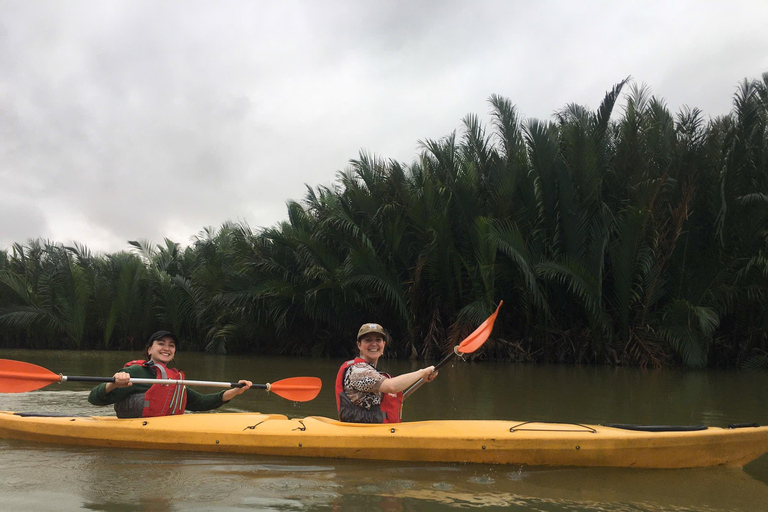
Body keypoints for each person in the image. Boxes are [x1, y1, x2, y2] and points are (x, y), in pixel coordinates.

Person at [88, 330, 252, 418]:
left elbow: (201, 402)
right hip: (133, 429)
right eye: (161, 344)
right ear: (150, 350)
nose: (167, 348)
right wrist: (114, 383)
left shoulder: (174, 379)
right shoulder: (136, 372)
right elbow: (94, 398)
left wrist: (236, 391)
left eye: (171, 345)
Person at [335, 323, 438, 423]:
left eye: (378, 340)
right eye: (368, 340)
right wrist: (422, 372)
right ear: (359, 345)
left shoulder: (373, 371)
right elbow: (392, 387)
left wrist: (423, 378)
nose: (374, 344)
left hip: (375, 431)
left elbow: (396, 389)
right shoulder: (358, 371)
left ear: (383, 345)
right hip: (361, 433)